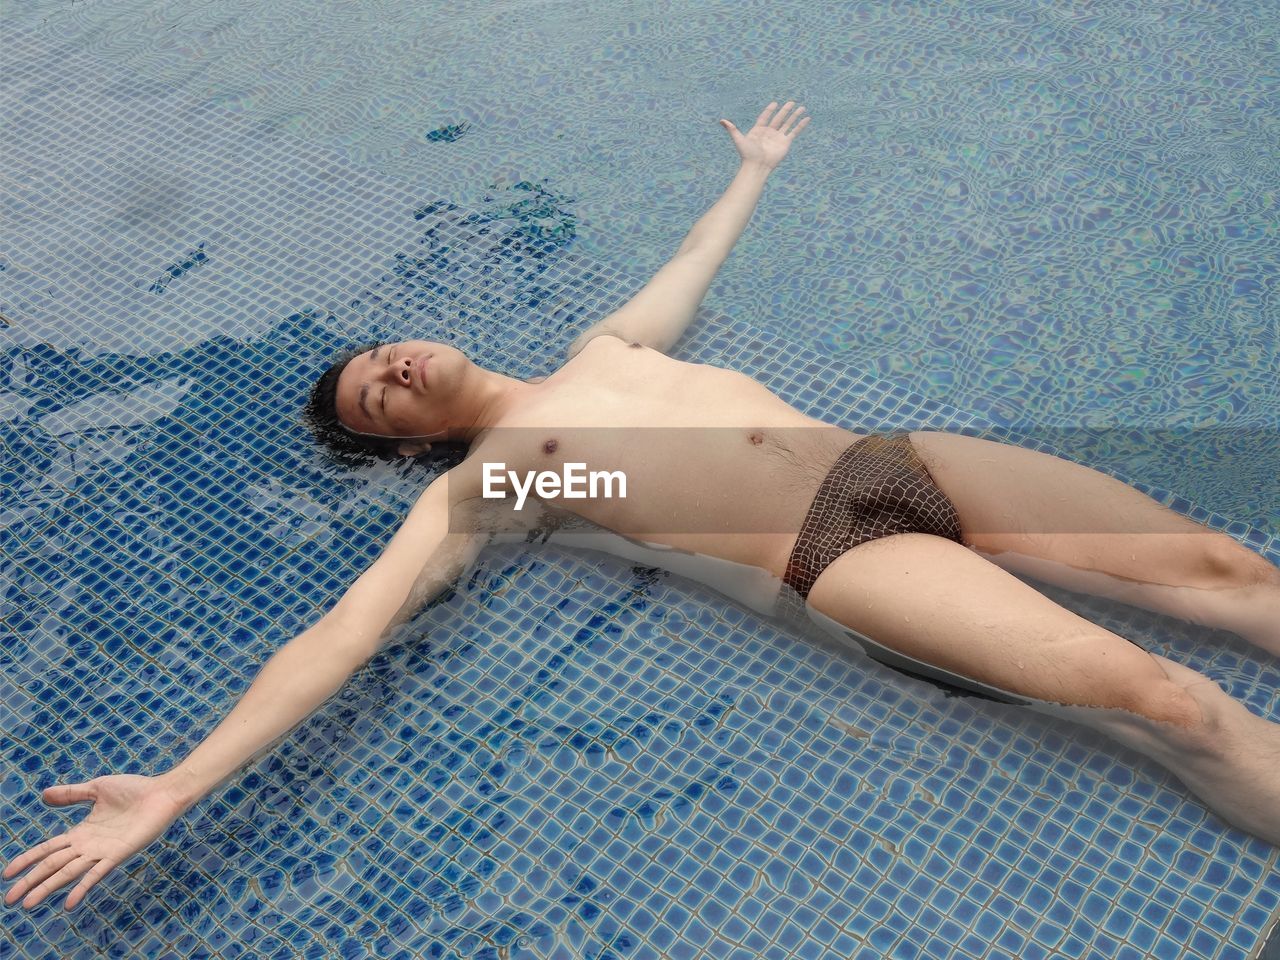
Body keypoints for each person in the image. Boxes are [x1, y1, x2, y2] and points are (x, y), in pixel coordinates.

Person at [6, 101, 1279, 915]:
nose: (390, 373)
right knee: (1161, 698)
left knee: (1227, 571)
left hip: (898, 458)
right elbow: (340, 637)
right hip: (840, 550)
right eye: (377, 404)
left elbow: (684, 269)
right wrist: (179, 783)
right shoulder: (488, 486)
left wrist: (750, 173)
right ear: (409, 445)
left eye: (379, 356)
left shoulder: (607, 344)